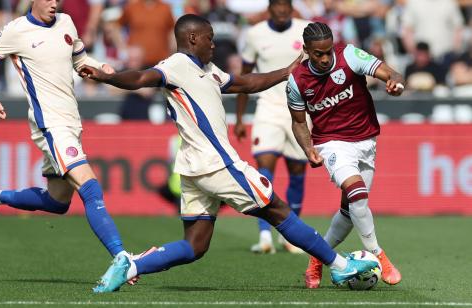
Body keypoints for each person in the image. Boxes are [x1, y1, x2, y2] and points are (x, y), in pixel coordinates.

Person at [78, 14, 378, 293]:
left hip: (194, 168)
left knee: (195, 245)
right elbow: (141, 78)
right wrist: (108, 77)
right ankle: (340, 266)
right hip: (217, 163)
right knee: (276, 209)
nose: (213, 44)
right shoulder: (176, 65)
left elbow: (244, 82)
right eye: (209, 38)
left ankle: (131, 265)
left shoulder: (207, 70)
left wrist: (286, 72)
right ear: (192, 38)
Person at [0, 0, 130, 272]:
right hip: (51, 126)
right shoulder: (15, 31)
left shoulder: (66, 22)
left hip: (71, 123)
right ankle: (121, 258)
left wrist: (100, 67)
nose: (54, 3)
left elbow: (79, 60)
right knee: (90, 188)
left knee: (58, 202)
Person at [285, 22, 403, 289]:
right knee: (357, 194)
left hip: (366, 140)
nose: (325, 58)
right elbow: (299, 121)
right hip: (332, 143)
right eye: (318, 54)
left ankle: (316, 260)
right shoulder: (297, 80)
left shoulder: (350, 55)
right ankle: (379, 255)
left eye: (328, 52)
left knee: (350, 211)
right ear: (306, 51)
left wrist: (395, 83)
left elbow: (391, 72)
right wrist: (308, 149)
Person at [234, 0, 309, 254]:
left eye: (285, 6)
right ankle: (265, 235)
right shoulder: (255, 34)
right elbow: (245, 77)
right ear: (270, 8)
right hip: (267, 107)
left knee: (298, 170)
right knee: (264, 171)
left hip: (299, 109)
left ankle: (291, 237)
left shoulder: (306, 29)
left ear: (291, 8)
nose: (281, 11)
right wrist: (240, 117)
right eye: (277, 6)